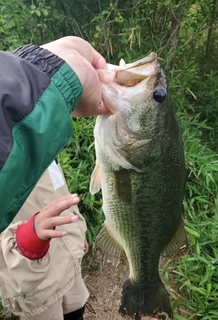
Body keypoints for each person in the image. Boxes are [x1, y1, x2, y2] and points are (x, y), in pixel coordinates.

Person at [0, 37, 109, 320]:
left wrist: (76, 232)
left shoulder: (36, 145)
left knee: (77, 309)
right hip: (33, 288)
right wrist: (28, 239)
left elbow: (60, 193)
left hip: (68, 261)